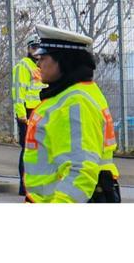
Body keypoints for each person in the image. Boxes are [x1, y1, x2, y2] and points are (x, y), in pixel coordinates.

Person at [22, 24, 121, 203]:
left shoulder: (75, 102)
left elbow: (81, 171)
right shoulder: (73, 94)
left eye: (43, 57)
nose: (38, 63)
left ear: (63, 61)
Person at [12, 32, 45, 195]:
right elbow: (18, 91)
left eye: (39, 47)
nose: (36, 50)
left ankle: (37, 183)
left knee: (40, 150)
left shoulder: (42, 66)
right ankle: (24, 186)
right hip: (27, 112)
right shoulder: (24, 66)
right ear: (28, 48)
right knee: (28, 149)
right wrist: (21, 114)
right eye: (33, 47)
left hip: (40, 112)